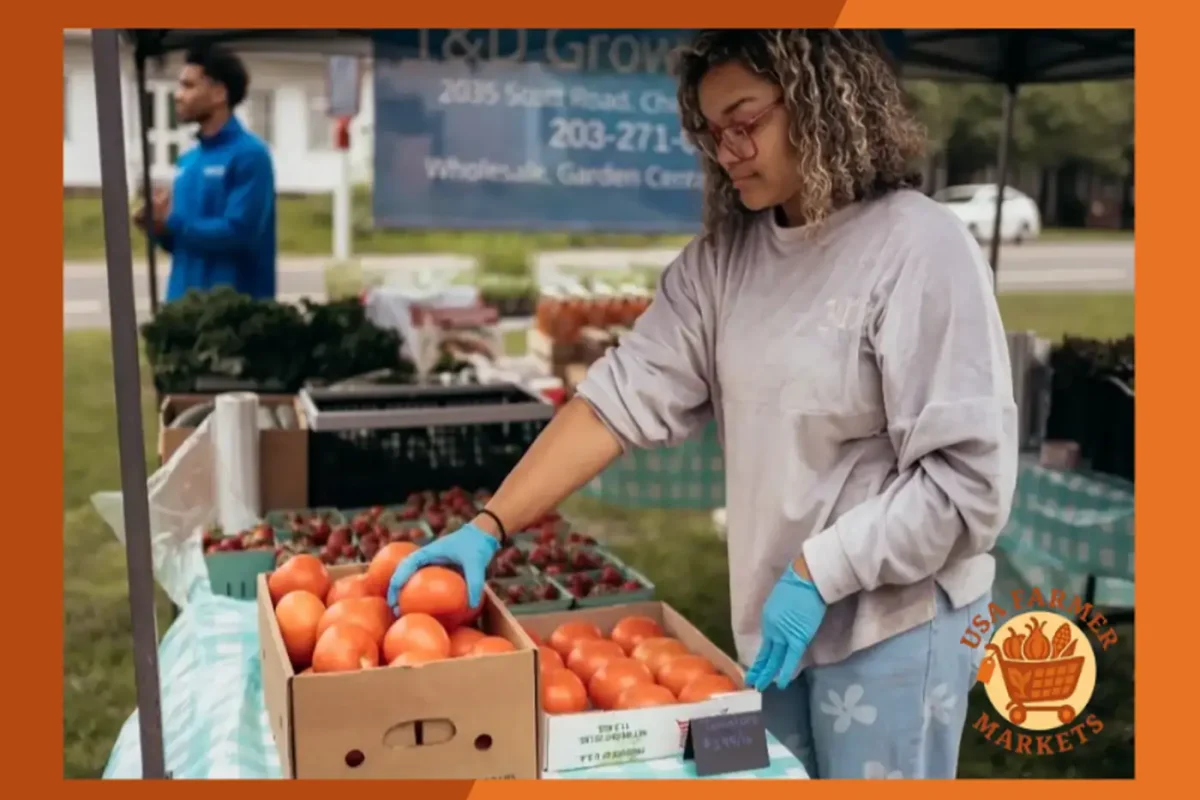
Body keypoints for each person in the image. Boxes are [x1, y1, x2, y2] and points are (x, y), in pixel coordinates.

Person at [387, 30, 1017, 780]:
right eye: (712, 133)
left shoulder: (920, 249)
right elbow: (615, 401)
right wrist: (488, 527)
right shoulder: (723, 265)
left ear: (819, 105)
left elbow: (967, 486)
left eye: (746, 121)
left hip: (893, 626)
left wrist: (822, 569)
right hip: (775, 624)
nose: (729, 150)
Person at [134, 45, 277, 302]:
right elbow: (183, 241)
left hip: (233, 317)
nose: (178, 95)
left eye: (188, 86)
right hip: (182, 310)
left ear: (219, 93)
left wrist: (172, 223)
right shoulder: (189, 161)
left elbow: (239, 233)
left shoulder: (251, 154)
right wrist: (156, 226)